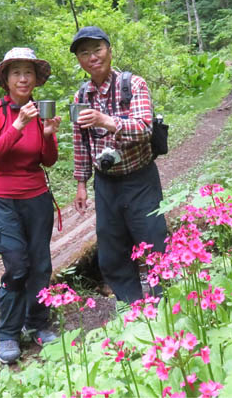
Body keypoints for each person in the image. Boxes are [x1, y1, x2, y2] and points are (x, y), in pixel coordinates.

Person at [70, 26, 167, 304]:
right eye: (84, 53)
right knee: (112, 247)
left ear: (109, 50)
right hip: (106, 183)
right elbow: (80, 142)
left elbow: (144, 128)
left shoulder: (134, 85)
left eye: (97, 50)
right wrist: (81, 185)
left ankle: (163, 300)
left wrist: (105, 121)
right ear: (79, 60)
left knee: (152, 238)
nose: (92, 57)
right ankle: (131, 303)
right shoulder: (81, 97)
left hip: (140, 177)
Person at [0, 47, 62, 364]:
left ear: (36, 79)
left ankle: (37, 323)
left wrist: (49, 133)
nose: (23, 78)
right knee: (16, 264)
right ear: (6, 79)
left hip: (36, 197)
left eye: (28, 72)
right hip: (0, 198)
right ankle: (9, 333)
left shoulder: (39, 111)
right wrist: (17, 125)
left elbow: (47, 160)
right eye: (17, 72)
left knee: (40, 265)